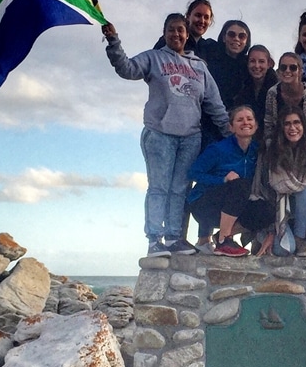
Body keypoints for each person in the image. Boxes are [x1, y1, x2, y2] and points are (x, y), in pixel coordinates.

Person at [103, 14, 229, 256]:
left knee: (179, 189)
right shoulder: (153, 58)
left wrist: (229, 133)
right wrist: (113, 41)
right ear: (164, 33)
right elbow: (127, 69)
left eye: (181, 30)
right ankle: (154, 240)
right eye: (171, 29)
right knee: (158, 188)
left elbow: (215, 104)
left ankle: (173, 238)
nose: (176, 34)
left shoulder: (199, 67)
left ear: (187, 34)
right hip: (159, 135)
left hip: (190, 138)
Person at [187, 106, 270, 257]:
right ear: (231, 127)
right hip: (204, 205)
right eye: (240, 120)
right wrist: (222, 179)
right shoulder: (218, 149)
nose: (245, 122)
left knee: (267, 210)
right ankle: (224, 241)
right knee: (241, 185)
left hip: (234, 206)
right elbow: (193, 173)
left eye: (249, 119)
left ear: (256, 125)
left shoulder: (257, 150)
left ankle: (222, 235)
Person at [251, 108, 306, 257]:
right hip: (274, 213)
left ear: (303, 126)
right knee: (284, 250)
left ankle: (300, 240)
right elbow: (264, 191)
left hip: (302, 215)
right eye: (287, 124)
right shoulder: (270, 151)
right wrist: (270, 231)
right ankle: (261, 238)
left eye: (296, 123)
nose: (292, 128)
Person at [262, 51, 306, 148]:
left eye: (293, 67)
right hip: (280, 147)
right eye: (283, 67)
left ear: (300, 71)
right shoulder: (272, 94)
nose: (287, 71)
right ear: (278, 71)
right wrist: (272, 145)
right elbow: (268, 126)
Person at [201, 20, 252, 148]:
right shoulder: (209, 51)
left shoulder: (248, 65)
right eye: (231, 34)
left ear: (246, 41)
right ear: (224, 37)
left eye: (242, 36)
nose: (236, 39)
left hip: (234, 126)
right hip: (206, 124)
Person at [153, 0, 218, 60]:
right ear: (188, 16)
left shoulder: (211, 47)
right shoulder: (172, 39)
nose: (202, 21)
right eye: (198, 15)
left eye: (206, 17)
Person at [237, 44, 277, 127]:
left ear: (269, 64)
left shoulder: (277, 88)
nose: (257, 66)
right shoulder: (241, 84)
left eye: (261, 61)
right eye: (252, 61)